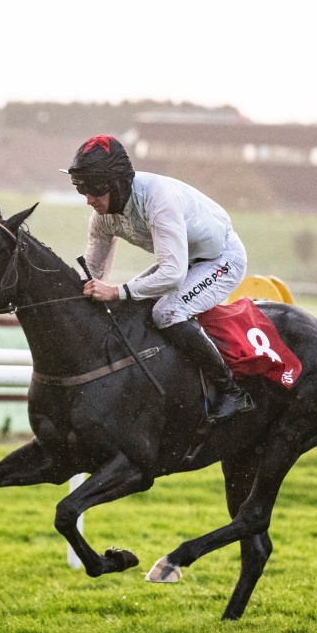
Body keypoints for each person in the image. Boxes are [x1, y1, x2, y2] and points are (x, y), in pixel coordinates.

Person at [65, 134, 254, 422]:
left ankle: (232, 391)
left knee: (166, 312)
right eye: (83, 190)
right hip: (187, 260)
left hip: (221, 259)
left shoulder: (158, 199)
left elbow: (172, 275)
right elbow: (92, 272)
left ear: (117, 184)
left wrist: (115, 291)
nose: (89, 199)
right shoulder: (102, 217)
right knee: (130, 307)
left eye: (94, 190)